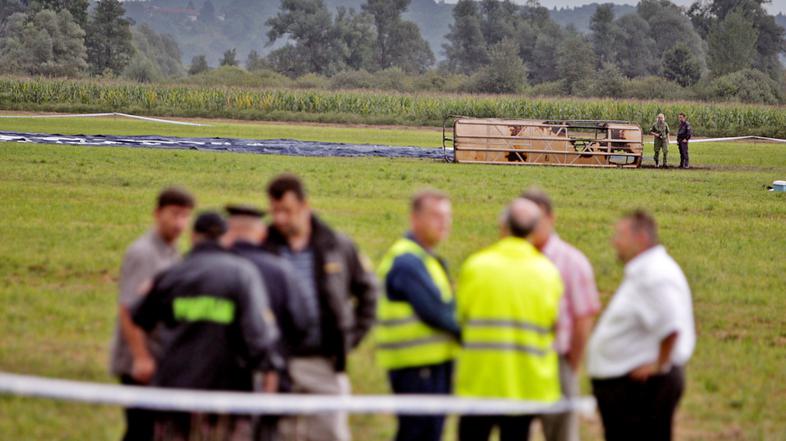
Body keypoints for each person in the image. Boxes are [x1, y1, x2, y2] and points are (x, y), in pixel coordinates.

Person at [131, 211, 282, 441]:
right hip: (228, 400)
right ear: (226, 238)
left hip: (174, 397)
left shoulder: (172, 273)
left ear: (193, 237)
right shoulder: (243, 274)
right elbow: (259, 336)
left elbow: (139, 317)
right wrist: (270, 379)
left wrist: (143, 358)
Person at [261, 174, 378, 441]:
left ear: (305, 206)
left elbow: (369, 292)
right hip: (277, 365)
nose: (280, 218)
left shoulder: (336, 245)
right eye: (275, 211)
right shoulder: (263, 247)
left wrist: (349, 337)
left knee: (329, 432)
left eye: (287, 211)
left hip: (324, 364)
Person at [454, 198, 564, 441]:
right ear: (534, 230)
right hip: (526, 385)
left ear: (503, 226)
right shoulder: (548, 273)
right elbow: (555, 324)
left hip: (480, 381)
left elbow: (460, 316)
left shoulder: (477, 266)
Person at [587, 210, 696, 441]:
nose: (614, 242)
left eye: (620, 236)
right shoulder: (646, 270)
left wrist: (659, 365)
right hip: (633, 385)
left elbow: (671, 326)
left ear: (641, 238)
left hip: (643, 387)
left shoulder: (655, 275)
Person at [223, 204, 316, 441]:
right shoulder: (280, 270)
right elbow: (303, 323)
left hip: (217, 383)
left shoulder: (212, 268)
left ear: (228, 233)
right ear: (262, 233)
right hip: (270, 381)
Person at [109, 186, 194, 441]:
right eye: (174, 214)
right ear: (157, 214)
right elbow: (127, 308)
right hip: (139, 361)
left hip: (158, 357)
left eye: (185, 216)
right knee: (141, 430)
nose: (179, 223)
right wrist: (141, 357)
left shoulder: (173, 252)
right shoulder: (143, 253)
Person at [375, 189, 461, 441]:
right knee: (419, 433)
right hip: (418, 368)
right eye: (436, 216)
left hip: (428, 365)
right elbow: (437, 312)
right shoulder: (408, 261)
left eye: (447, 216)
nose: (444, 223)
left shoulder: (425, 259)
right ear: (414, 219)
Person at [522, 188, 600, 441]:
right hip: (518, 361)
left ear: (551, 218)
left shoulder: (571, 262)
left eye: (537, 218)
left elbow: (583, 318)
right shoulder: (514, 260)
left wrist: (572, 363)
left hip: (557, 360)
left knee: (561, 434)